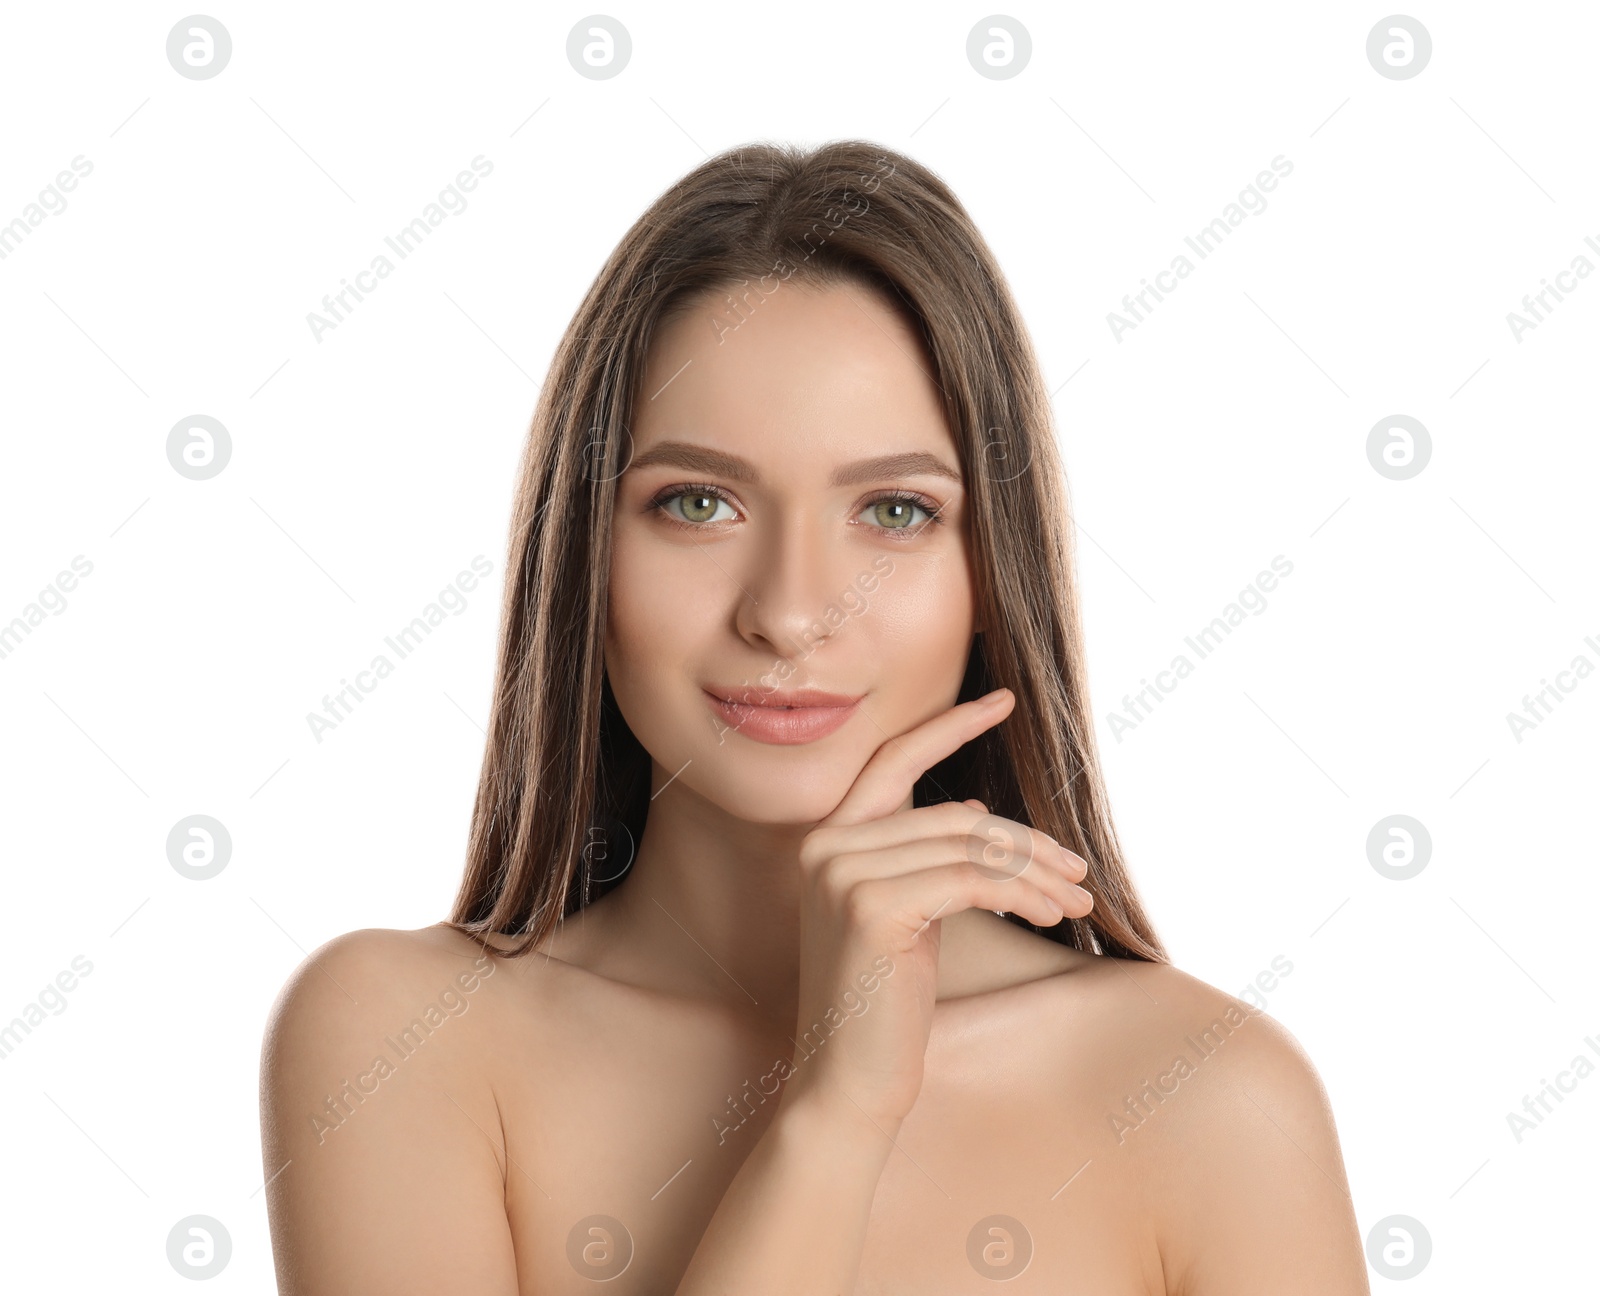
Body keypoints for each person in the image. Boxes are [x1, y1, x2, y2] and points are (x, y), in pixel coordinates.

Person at [260, 140, 1369, 1294]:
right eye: (697, 503)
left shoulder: (1210, 1096)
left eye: (893, 510)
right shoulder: (402, 1045)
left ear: (992, 574)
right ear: (583, 550)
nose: (791, 613)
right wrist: (835, 1117)